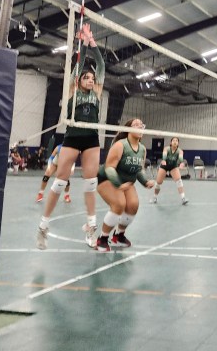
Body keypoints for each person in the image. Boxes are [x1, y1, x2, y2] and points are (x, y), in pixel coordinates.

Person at [37, 23, 104, 250]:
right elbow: (79, 64)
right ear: (79, 80)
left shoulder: (97, 92)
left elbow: (101, 65)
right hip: (73, 137)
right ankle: (43, 226)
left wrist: (92, 42)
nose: (91, 80)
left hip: (91, 139)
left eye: (92, 78)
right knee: (59, 182)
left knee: (90, 183)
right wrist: (83, 44)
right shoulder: (73, 91)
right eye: (87, 78)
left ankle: (91, 227)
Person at [95, 118, 156, 252]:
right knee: (119, 204)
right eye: (135, 125)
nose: (139, 126)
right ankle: (102, 238)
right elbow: (110, 168)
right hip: (107, 178)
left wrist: (145, 182)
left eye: (141, 125)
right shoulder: (120, 145)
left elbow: (139, 169)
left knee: (133, 205)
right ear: (128, 129)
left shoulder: (142, 149)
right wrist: (118, 184)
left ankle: (118, 235)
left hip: (126, 181)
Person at [149, 137, 189, 205]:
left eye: (176, 141)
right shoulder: (166, 148)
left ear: (178, 143)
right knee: (158, 182)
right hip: (164, 166)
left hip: (173, 166)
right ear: (171, 142)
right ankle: (154, 197)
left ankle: (183, 198)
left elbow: (180, 158)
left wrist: (181, 163)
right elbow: (164, 155)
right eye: (173, 140)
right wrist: (164, 160)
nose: (175, 142)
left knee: (179, 181)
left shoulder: (180, 151)